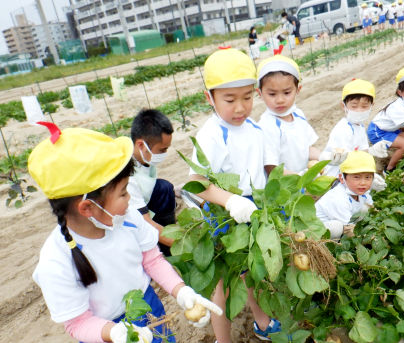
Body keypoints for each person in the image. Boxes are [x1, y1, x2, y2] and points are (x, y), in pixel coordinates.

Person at [28, 123, 222, 343]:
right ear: (87, 208)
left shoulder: (128, 219)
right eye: (123, 194)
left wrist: (182, 291)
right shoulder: (56, 261)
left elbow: (153, 260)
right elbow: (78, 323)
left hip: (148, 308)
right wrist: (115, 333)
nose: (129, 199)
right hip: (105, 331)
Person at [189, 48, 281, 342]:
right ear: (210, 98)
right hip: (222, 213)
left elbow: (266, 171)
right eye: (229, 100)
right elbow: (197, 182)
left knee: (253, 271)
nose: (240, 107)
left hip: (251, 209)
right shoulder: (212, 134)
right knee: (224, 281)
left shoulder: (254, 128)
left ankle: (263, 322)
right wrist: (229, 200)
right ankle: (223, 339)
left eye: (246, 97)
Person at [256, 54, 320, 175]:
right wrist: (300, 178)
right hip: (285, 187)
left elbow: (307, 149)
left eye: (286, 92)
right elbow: (272, 169)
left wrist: (325, 157)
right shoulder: (266, 126)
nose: (280, 100)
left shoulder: (298, 115)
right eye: (272, 94)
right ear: (260, 93)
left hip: (302, 180)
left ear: (298, 89)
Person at [319, 78, 387, 191]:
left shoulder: (359, 126)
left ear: (372, 105)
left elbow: (361, 152)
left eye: (364, 106)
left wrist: (372, 151)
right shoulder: (343, 129)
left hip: (353, 174)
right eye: (354, 106)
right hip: (337, 177)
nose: (359, 110)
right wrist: (370, 177)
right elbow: (347, 160)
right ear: (343, 106)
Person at [128, 109, 175, 257]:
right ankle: (164, 252)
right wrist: (182, 245)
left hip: (139, 203)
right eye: (162, 150)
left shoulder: (141, 155)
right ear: (141, 145)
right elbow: (145, 222)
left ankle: (167, 238)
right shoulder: (127, 178)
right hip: (123, 219)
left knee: (165, 189)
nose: (164, 154)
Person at [315, 151, 376, 240]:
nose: (363, 183)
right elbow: (349, 230)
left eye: (367, 177)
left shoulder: (362, 193)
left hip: (347, 224)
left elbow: (372, 209)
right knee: (337, 228)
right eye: (356, 177)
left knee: (366, 209)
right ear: (342, 178)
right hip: (317, 234)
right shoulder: (338, 198)